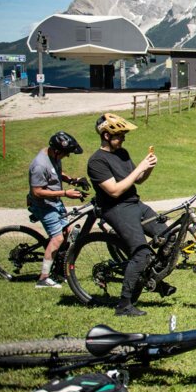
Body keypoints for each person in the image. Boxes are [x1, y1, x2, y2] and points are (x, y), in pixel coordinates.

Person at [87, 113, 174, 317]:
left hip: (135, 203)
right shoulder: (96, 162)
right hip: (116, 209)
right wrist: (140, 169)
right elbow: (115, 190)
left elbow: (138, 180)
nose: (124, 138)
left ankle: (151, 277)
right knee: (141, 254)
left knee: (168, 236)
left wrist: (148, 168)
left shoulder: (123, 153)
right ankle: (124, 305)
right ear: (107, 136)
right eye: (119, 135)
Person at [27, 131, 87, 288]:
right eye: (66, 154)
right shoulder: (39, 165)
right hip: (43, 206)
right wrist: (66, 193)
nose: (67, 157)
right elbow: (37, 192)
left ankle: (59, 272)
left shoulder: (52, 156)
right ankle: (43, 279)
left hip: (55, 202)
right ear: (57, 151)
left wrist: (73, 180)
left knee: (67, 232)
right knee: (58, 238)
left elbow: (56, 173)